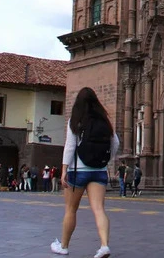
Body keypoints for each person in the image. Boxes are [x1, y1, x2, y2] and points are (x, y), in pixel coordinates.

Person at [51, 87, 119, 258]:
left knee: (71, 209)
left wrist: (64, 169)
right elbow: (115, 142)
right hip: (99, 171)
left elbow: (70, 146)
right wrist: (106, 160)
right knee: (99, 209)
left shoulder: (76, 121)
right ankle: (104, 245)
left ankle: (64, 246)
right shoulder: (105, 121)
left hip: (78, 171)